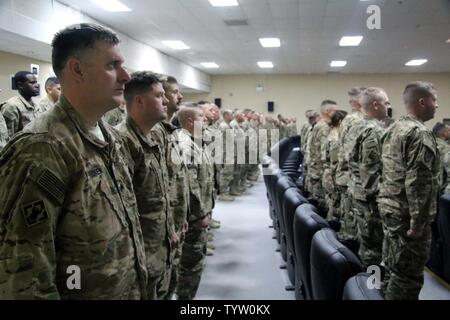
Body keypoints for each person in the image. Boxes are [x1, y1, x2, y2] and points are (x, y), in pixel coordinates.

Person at [0, 23, 148, 299]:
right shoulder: (43, 147)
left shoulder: (109, 137)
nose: (126, 76)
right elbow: (25, 270)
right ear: (77, 70)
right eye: (112, 65)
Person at [378, 81, 440, 300]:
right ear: (422, 102)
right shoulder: (420, 133)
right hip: (407, 217)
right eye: (434, 100)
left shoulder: (393, 128)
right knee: (408, 278)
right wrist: (418, 223)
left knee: (392, 268)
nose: (437, 105)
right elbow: (418, 184)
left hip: (390, 209)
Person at [117, 71, 176, 299]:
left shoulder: (155, 136)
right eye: (159, 95)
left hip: (159, 245)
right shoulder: (123, 142)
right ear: (139, 101)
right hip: (140, 256)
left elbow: (158, 192)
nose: (167, 100)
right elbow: (124, 209)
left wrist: (169, 229)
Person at [151, 75, 189, 300]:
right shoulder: (153, 134)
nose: (180, 96)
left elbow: (176, 180)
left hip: (173, 223)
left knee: (170, 282)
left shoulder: (169, 132)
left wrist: (180, 216)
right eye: (175, 92)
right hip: (157, 233)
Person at [175, 105, 214, 300]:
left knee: (193, 261)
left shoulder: (196, 141)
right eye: (201, 117)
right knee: (191, 265)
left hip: (200, 212)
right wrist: (199, 214)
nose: (205, 119)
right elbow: (190, 184)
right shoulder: (185, 145)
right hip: (193, 217)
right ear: (190, 122)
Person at [349, 87, 391, 266]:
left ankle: (367, 286)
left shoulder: (356, 125)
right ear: (375, 105)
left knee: (366, 245)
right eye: (386, 102)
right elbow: (370, 176)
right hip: (370, 200)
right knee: (373, 251)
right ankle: (372, 288)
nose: (389, 106)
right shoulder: (373, 130)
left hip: (358, 192)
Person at [336, 87, 366, 243]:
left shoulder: (349, 119)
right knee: (355, 224)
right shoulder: (357, 120)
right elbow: (352, 154)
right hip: (355, 178)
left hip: (348, 176)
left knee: (349, 218)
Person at [305, 100, 337, 213]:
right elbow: (325, 154)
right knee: (322, 207)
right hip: (320, 171)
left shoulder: (320, 125)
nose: (336, 114)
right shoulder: (324, 127)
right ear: (328, 112)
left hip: (316, 170)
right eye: (335, 111)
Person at [322, 110, 347, 221]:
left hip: (329, 174)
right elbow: (336, 163)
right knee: (335, 208)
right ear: (341, 121)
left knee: (332, 204)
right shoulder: (336, 138)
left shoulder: (331, 134)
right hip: (333, 177)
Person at [1, 71, 40, 136]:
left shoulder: (35, 106)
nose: (37, 86)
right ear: (20, 85)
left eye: (36, 82)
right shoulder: (12, 106)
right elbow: (7, 138)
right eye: (32, 83)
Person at [432, 122, 450, 193]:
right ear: (444, 134)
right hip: (442, 193)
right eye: (449, 130)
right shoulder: (446, 149)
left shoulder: (428, 145)